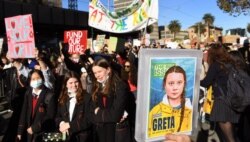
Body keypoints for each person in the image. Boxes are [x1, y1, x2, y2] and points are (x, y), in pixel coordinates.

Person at [200, 43, 241, 142]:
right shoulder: (231, 63)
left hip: (222, 102)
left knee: (229, 137)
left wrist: (196, 81)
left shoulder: (215, 65)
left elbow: (205, 83)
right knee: (232, 134)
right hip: (234, 100)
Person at [89, 58, 130, 142]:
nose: (97, 75)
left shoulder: (119, 86)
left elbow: (115, 115)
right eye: (95, 73)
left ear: (108, 70)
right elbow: (91, 111)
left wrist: (98, 112)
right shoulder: (96, 86)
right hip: (100, 131)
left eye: (99, 71)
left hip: (116, 131)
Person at [148, 65, 192, 138]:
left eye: (179, 82)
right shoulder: (155, 112)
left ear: (184, 84)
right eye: (171, 83)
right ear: (165, 85)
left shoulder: (191, 111)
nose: (175, 88)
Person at [17, 70, 56, 142]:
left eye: (38, 78)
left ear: (43, 78)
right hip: (29, 132)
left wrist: (35, 128)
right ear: (29, 81)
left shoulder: (49, 95)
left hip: (42, 132)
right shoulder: (28, 93)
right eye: (33, 79)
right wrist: (20, 131)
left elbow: (50, 116)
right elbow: (24, 112)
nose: (36, 81)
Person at [55, 71, 92, 142]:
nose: (74, 85)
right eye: (70, 83)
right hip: (66, 137)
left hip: (82, 137)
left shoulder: (87, 97)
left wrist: (70, 125)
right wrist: (62, 124)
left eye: (76, 82)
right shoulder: (62, 98)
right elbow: (57, 116)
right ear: (66, 84)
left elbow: (89, 120)